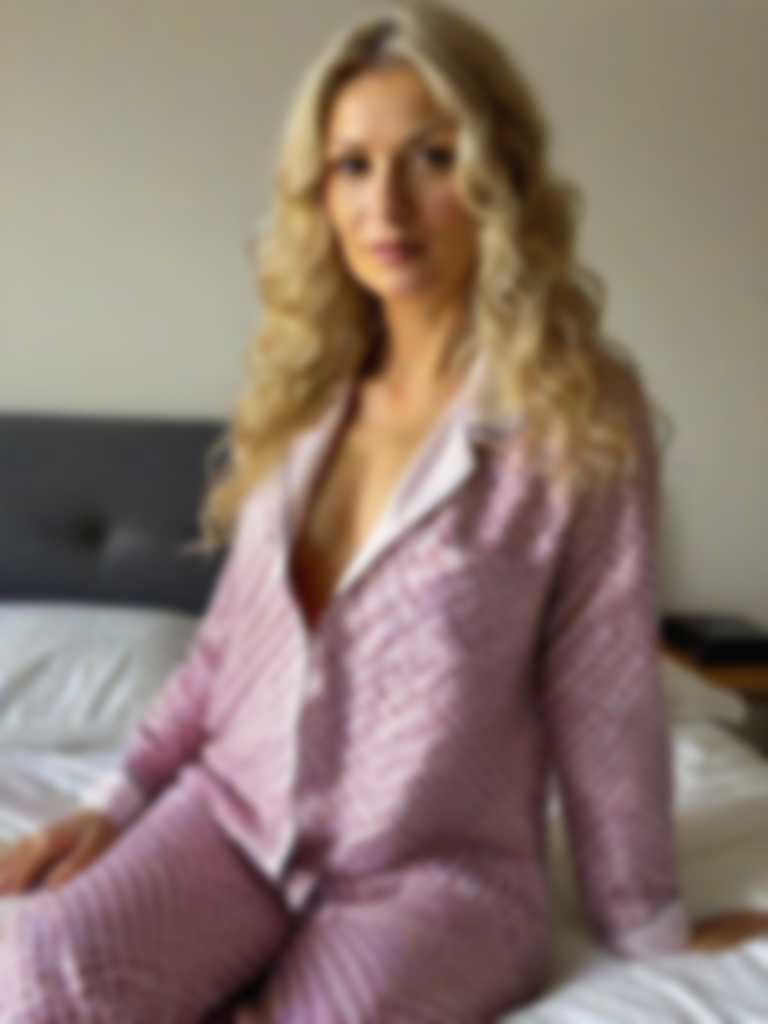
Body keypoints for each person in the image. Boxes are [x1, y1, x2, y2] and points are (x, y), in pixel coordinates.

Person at [2, 1, 767, 1021]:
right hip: (231, 822)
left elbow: (604, 687)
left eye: (431, 158)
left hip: (435, 875)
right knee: (38, 963)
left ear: (497, 172)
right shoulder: (304, 387)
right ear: (318, 190)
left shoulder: (575, 412)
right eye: (352, 165)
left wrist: (649, 924)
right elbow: (223, 655)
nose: (386, 207)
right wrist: (114, 805)